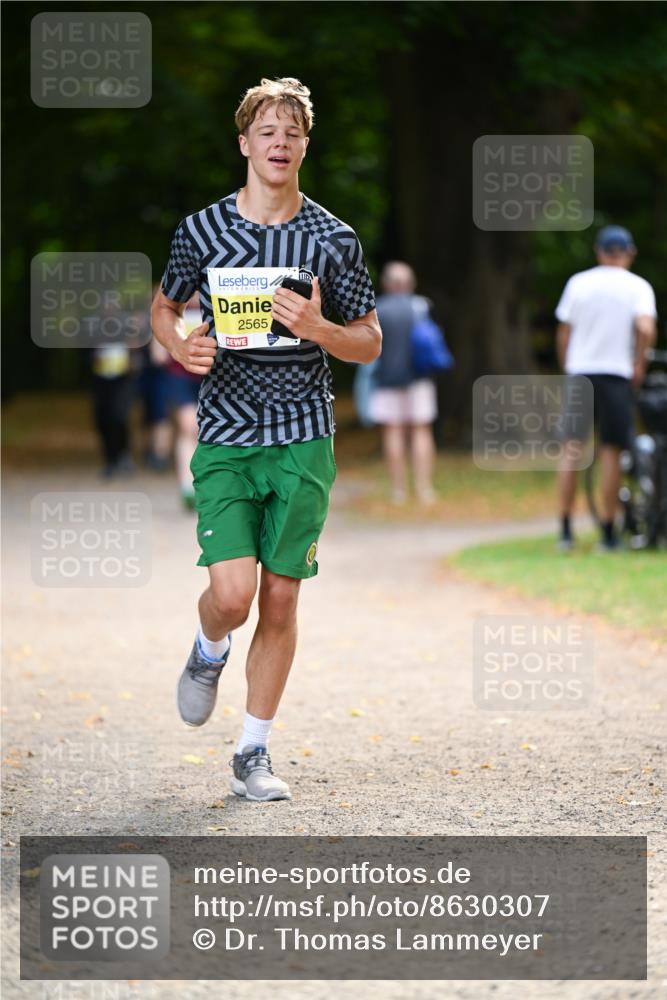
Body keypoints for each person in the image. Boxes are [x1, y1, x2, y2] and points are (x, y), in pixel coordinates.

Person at [151, 77, 381, 801]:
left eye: (292, 132)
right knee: (232, 594)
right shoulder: (202, 230)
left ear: (305, 146)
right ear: (244, 143)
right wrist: (181, 345)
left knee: (280, 599)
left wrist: (319, 330)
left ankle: (252, 752)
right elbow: (165, 307)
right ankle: (207, 647)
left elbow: (368, 341)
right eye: (267, 131)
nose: (279, 143)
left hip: (303, 438)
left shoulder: (332, 238)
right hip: (225, 433)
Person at [555, 225, 657, 551]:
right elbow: (645, 326)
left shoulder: (578, 283)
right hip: (615, 374)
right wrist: (639, 362)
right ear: (629, 252)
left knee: (572, 451)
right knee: (612, 451)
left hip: (580, 372)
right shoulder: (637, 286)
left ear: (599, 251)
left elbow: (564, 332)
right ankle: (608, 533)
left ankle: (566, 530)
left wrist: (567, 365)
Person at [369, 261, 438, 504]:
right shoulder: (421, 306)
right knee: (421, 430)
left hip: (387, 379)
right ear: (410, 283)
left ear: (387, 283)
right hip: (419, 378)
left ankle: (398, 491)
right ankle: (424, 489)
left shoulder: (377, 309)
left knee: (393, 431)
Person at [163, 291, 204, 511]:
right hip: (181, 377)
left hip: (211, 377)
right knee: (190, 427)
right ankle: (187, 487)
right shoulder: (173, 308)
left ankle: (204, 486)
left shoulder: (217, 303)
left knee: (204, 433)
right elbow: (160, 342)